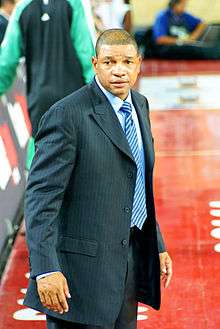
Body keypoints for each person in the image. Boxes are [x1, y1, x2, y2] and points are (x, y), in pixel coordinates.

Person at [24, 29, 173, 329]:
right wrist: (45, 270)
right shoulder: (66, 115)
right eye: (109, 62)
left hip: (126, 268)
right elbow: (40, 200)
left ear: (139, 64)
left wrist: (156, 243)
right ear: (94, 64)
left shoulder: (140, 105)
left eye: (127, 62)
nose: (119, 70)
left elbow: (137, 181)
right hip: (78, 278)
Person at [0, 0, 94, 168]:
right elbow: (87, 55)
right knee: (79, 163)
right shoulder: (73, 4)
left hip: (39, 102)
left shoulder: (22, 8)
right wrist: (100, 97)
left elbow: (6, 62)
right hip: (74, 100)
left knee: (39, 164)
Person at [152, 0, 220, 59]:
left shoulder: (184, 15)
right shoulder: (162, 16)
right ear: (175, 4)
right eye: (183, 4)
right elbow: (160, 39)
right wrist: (181, 41)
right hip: (170, 47)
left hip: (186, 45)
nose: (184, 7)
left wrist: (193, 37)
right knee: (192, 50)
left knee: (202, 48)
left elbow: (202, 24)